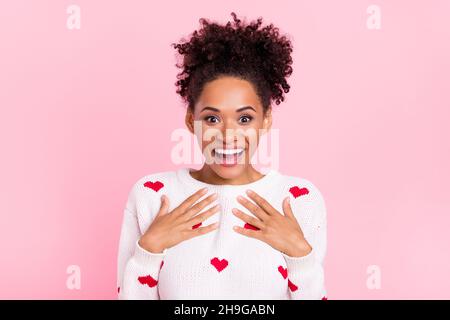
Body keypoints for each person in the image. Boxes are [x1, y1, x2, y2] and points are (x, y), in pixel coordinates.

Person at [117, 12, 327, 300]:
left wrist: (300, 255)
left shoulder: (299, 200)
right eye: (212, 119)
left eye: (244, 119)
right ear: (191, 121)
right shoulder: (152, 196)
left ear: (266, 121)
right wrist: (149, 249)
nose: (228, 135)